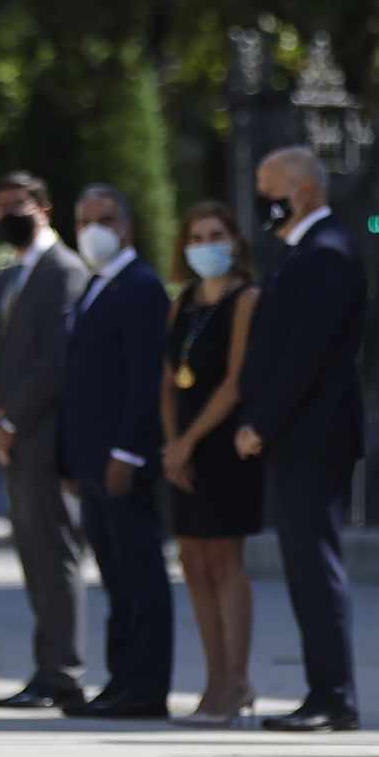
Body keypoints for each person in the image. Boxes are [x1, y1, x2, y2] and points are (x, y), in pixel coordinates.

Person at [236, 146, 366, 733]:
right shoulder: (303, 251)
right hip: (301, 437)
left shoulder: (326, 253)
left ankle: (333, 695)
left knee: (316, 565)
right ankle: (324, 689)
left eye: (270, 187)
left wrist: (262, 422)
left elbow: (305, 356)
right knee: (303, 565)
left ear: (304, 191)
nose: (262, 200)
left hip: (312, 437)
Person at [57, 184, 173, 718]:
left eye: (103, 219)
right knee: (115, 574)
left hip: (121, 459)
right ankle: (122, 679)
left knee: (139, 571)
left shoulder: (141, 286)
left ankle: (145, 687)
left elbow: (144, 379)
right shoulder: (97, 286)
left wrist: (127, 452)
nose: (92, 231)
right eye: (83, 221)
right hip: (90, 458)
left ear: (125, 224)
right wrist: (71, 461)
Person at [159, 202, 264, 726]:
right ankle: (212, 680)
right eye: (196, 236)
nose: (206, 244)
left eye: (216, 234)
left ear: (235, 240)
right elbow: (167, 378)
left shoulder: (246, 298)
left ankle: (237, 680)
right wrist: (173, 442)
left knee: (224, 561)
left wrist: (190, 441)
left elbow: (237, 380)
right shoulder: (181, 303)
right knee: (192, 563)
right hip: (184, 447)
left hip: (225, 444)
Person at [0, 172, 91, 711]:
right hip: (12, 438)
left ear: (44, 207)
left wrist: (11, 422)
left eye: (18, 205)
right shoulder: (7, 277)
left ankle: (64, 672)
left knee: (55, 555)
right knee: (31, 555)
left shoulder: (65, 270)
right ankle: (46, 667)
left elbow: (56, 359)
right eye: (0, 206)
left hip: (46, 437)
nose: (9, 214)